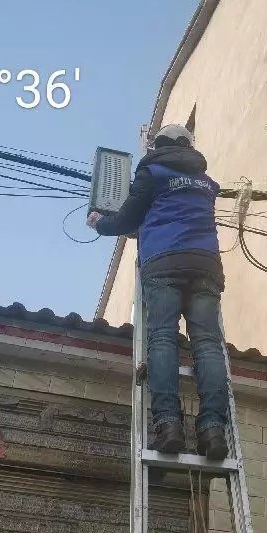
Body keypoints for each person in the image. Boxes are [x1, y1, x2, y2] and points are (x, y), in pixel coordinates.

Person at [87, 124, 229, 460]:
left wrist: (99, 223)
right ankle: (213, 430)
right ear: (189, 146)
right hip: (205, 265)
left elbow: (127, 219)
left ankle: (169, 425)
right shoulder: (207, 184)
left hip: (164, 262)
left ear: (158, 146)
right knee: (208, 345)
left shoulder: (152, 173)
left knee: (163, 338)